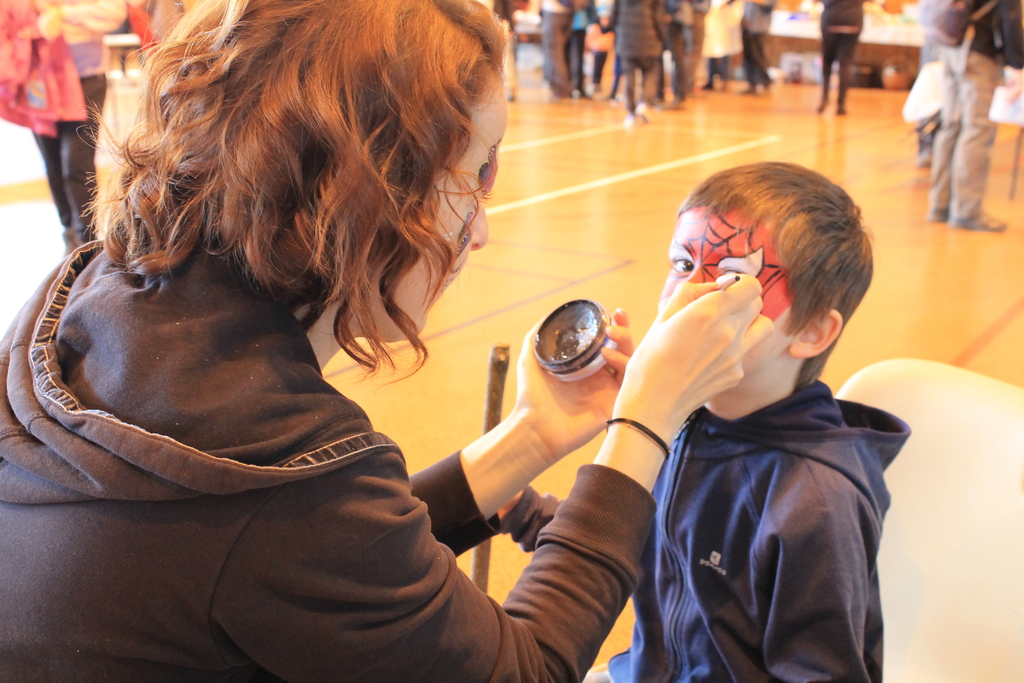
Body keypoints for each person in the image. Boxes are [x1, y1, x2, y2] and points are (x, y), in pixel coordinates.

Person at [0, 0, 773, 680]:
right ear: (368, 192)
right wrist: (646, 420)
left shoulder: (95, 293)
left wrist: (532, 435)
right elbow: (521, 668)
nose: (481, 229)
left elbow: (326, 560)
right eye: (475, 175)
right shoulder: (274, 470)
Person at [507, 162, 912, 683]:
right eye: (682, 263)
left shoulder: (816, 500)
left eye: (732, 278)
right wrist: (524, 510)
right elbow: (637, 543)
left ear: (811, 330)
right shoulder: (680, 424)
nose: (685, 297)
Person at [29, 0, 127, 254]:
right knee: (51, 161)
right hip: (39, 80)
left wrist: (62, 15)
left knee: (78, 162)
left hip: (86, 77)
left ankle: (88, 242)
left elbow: (114, 13)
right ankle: (70, 232)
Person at [926, 0, 1023, 233]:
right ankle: (966, 210)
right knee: (977, 131)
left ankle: (940, 205)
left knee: (951, 125)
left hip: (950, 47)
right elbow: (1011, 19)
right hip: (978, 54)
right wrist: (1018, 66)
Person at [610, 0, 665, 125]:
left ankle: (631, 110)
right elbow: (658, 18)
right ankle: (644, 103)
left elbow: (613, 17)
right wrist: (662, 37)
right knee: (650, 72)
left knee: (629, 76)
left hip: (626, 39)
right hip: (649, 39)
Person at [817, 0, 864, 115]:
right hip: (853, 20)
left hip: (831, 19)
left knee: (827, 61)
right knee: (845, 63)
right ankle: (841, 105)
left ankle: (824, 99)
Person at [541, 0, 575, 99]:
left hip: (554, 12)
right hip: (568, 12)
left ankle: (561, 90)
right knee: (563, 52)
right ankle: (567, 88)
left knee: (554, 54)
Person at [740, 0, 775, 95]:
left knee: (757, 56)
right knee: (748, 56)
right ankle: (752, 83)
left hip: (759, 27)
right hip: (748, 25)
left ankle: (765, 80)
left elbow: (769, 4)